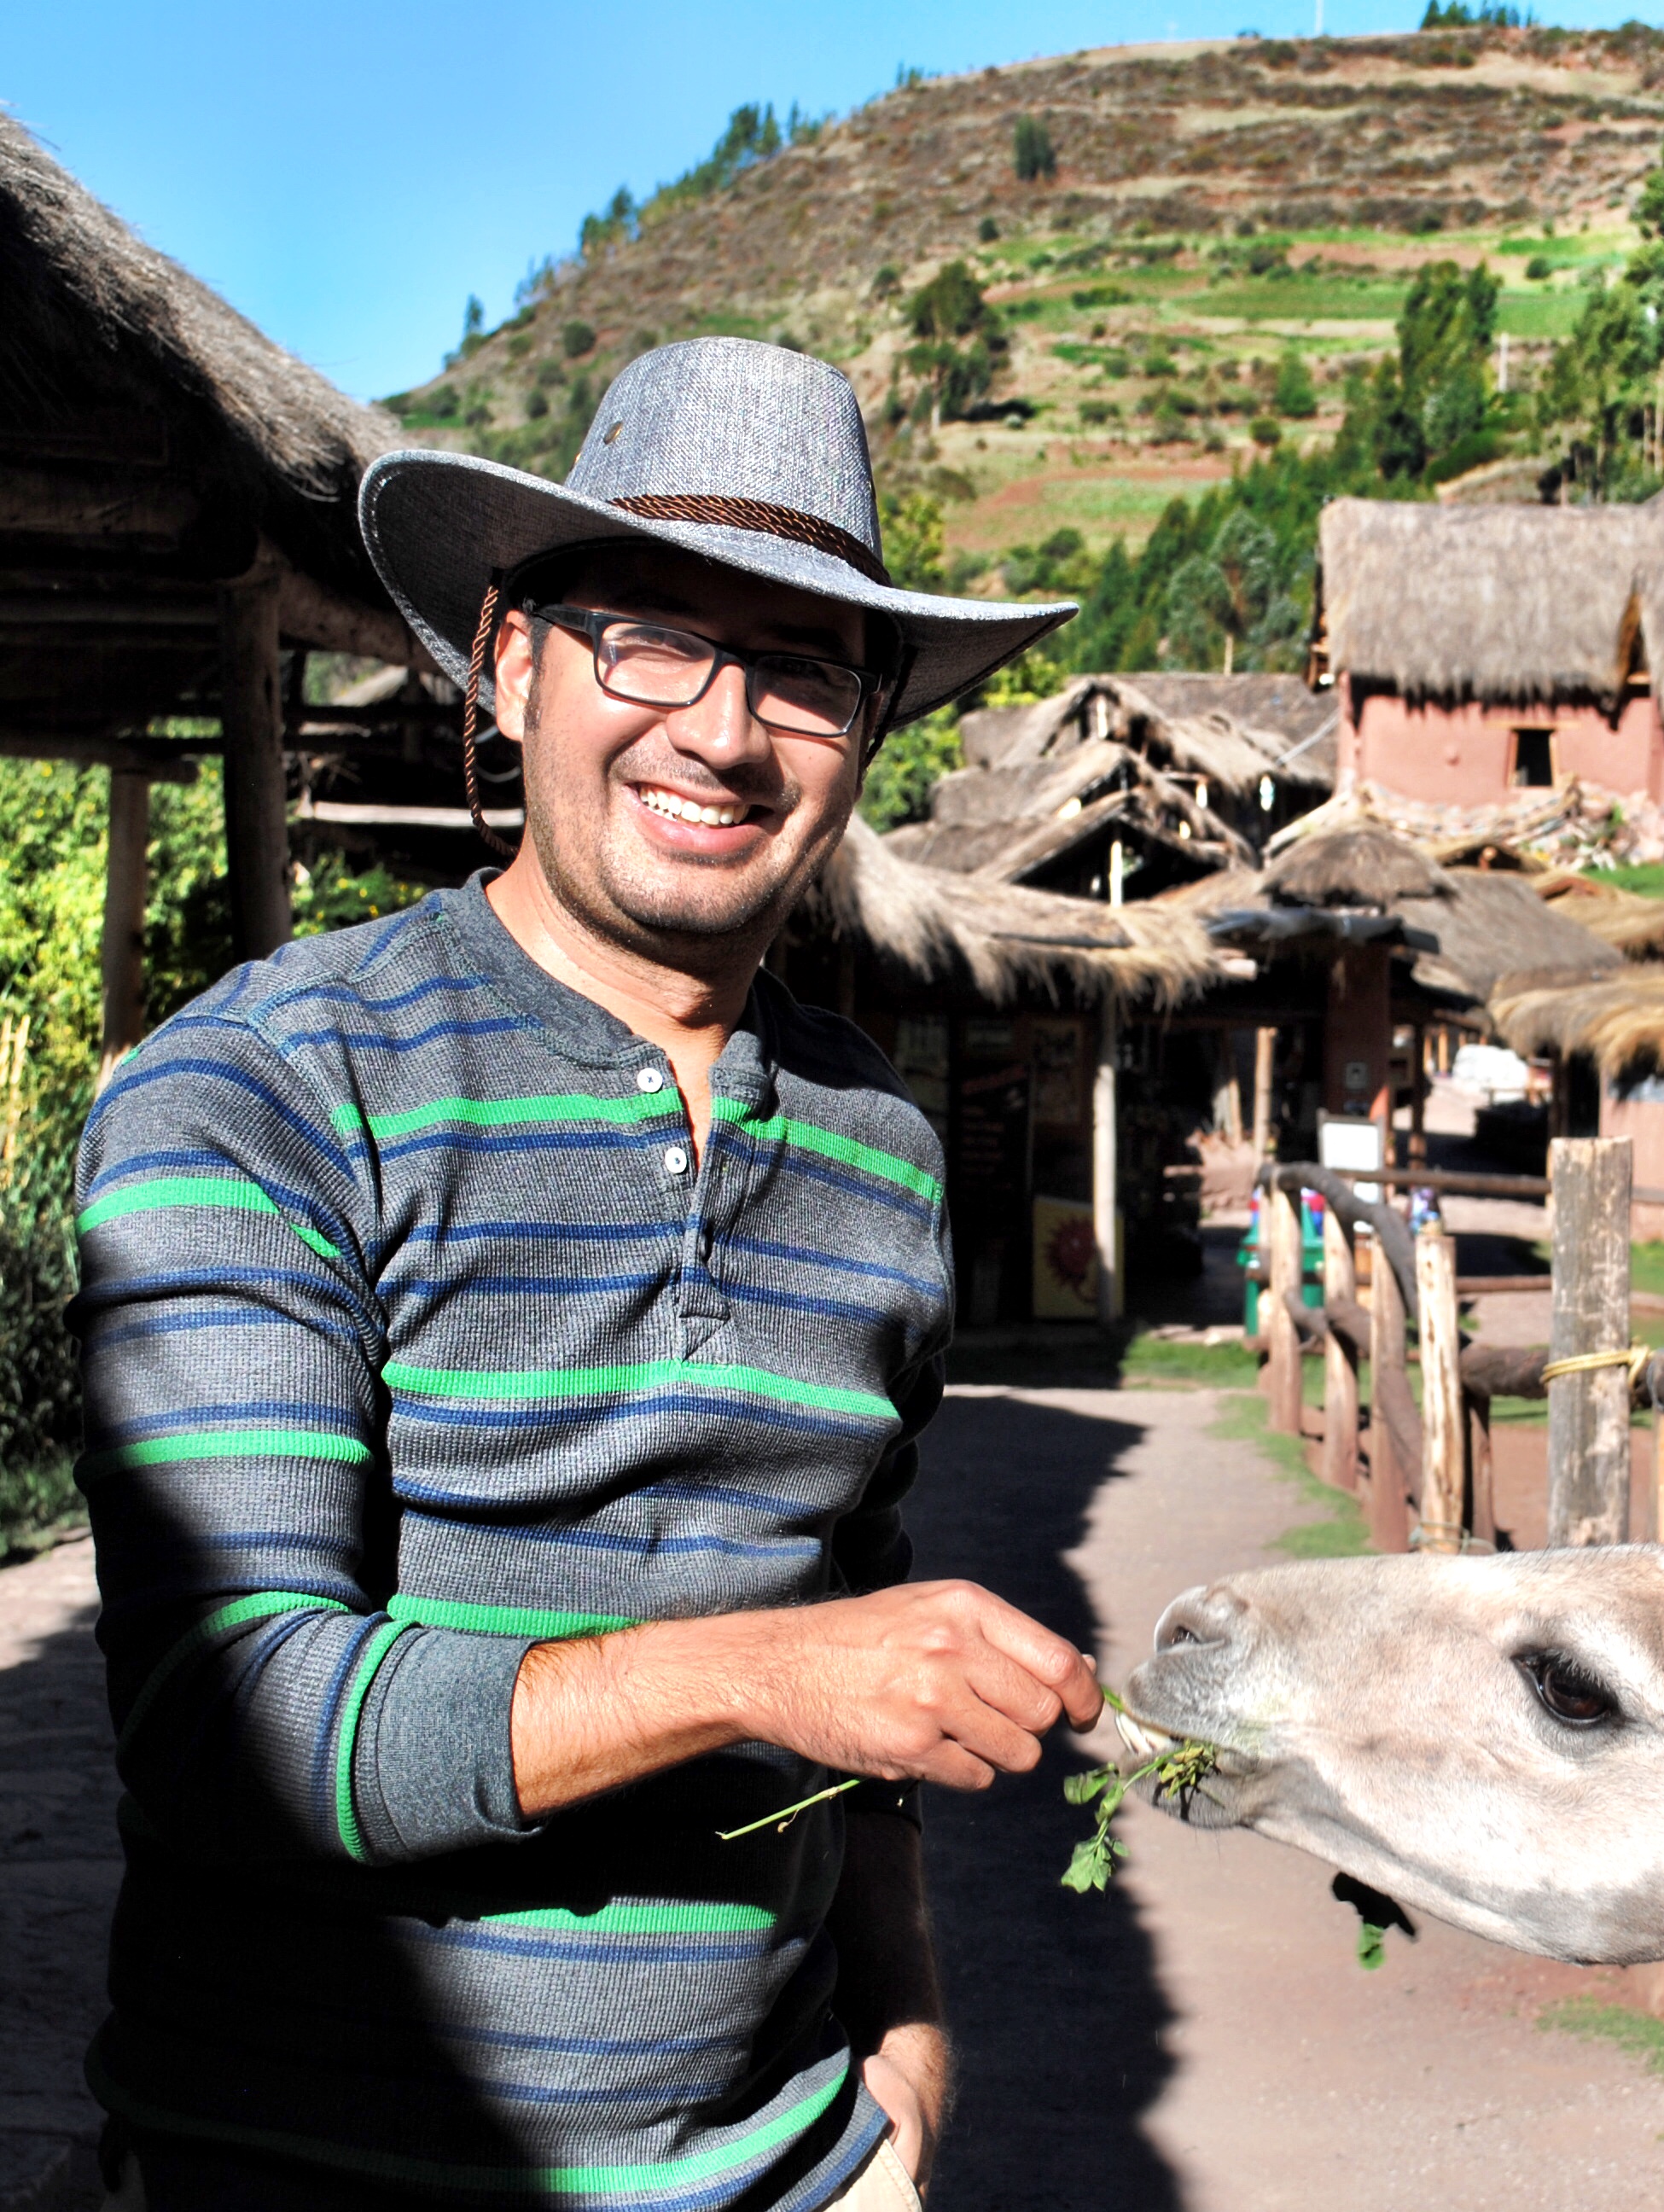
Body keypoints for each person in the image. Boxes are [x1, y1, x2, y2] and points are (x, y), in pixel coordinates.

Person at [74, 339, 1091, 2211]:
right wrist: (759, 1672)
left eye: (802, 666)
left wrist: (914, 2052)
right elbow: (233, 1729)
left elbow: (846, 1638)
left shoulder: (881, 1150)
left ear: (865, 732)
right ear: (513, 660)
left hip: (787, 2175)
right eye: (647, 635)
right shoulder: (268, 1085)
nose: (720, 728)